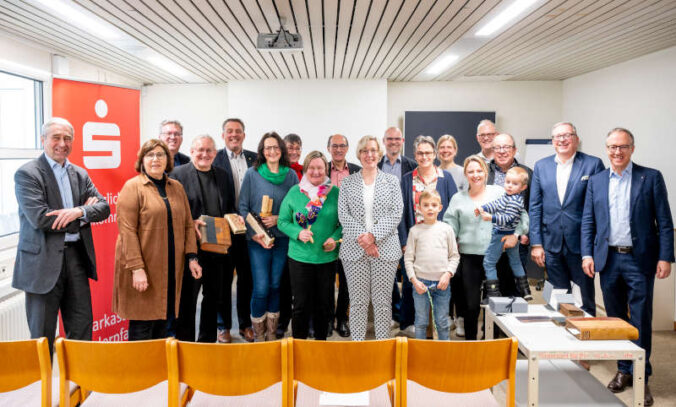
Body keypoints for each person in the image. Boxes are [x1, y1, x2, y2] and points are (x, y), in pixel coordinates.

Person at [581, 128, 673, 406]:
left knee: (641, 320)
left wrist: (665, 256)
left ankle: (641, 377)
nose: (617, 152)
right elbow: (588, 221)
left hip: (639, 259)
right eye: (611, 147)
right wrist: (587, 254)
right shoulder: (596, 181)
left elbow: (665, 223)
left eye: (622, 147)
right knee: (615, 320)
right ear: (606, 149)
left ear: (632, 148)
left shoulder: (651, 177)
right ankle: (624, 370)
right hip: (608, 260)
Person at [13, 117, 110, 354]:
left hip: (76, 259)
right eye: (56, 137)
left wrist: (79, 211)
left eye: (67, 138)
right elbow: (41, 218)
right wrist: (85, 214)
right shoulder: (27, 174)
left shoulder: (79, 173)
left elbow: (104, 207)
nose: (62, 143)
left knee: (81, 330)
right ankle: (44, 390)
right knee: (42, 337)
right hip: (41, 264)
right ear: (43, 139)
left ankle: (78, 388)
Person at [113, 139, 202, 341]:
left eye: (160, 155)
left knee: (164, 321)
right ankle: (140, 372)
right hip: (144, 268)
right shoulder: (133, 187)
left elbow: (188, 224)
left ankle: (158, 370)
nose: (156, 159)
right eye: (150, 155)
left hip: (171, 269)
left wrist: (192, 257)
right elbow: (127, 231)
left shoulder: (176, 187)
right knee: (142, 323)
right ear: (142, 160)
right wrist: (137, 269)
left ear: (167, 160)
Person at [444, 155, 528, 340]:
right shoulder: (458, 199)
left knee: (499, 304)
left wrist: (516, 235)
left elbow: (521, 217)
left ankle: (495, 343)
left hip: (499, 256)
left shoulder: (499, 193)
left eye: (479, 170)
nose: (475, 175)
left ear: (486, 172)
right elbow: (449, 228)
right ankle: (471, 344)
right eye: (471, 171)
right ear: (465, 174)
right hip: (469, 258)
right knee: (470, 306)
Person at [529, 122, 604, 316]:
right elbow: (535, 207)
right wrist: (536, 243)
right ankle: (559, 339)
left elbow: (599, 207)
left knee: (584, 299)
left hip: (581, 245)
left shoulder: (593, 164)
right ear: (552, 142)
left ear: (576, 139)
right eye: (557, 136)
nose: (562, 139)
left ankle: (584, 341)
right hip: (551, 244)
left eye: (567, 135)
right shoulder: (541, 165)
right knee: (556, 298)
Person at [170, 135, 237, 342]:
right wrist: (191, 222)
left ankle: (206, 342)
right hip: (190, 249)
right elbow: (172, 212)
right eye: (200, 150)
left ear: (215, 154)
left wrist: (235, 219)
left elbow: (229, 207)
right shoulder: (177, 175)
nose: (204, 154)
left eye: (209, 150)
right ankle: (186, 344)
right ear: (191, 152)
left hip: (218, 249)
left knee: (213, 298)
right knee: (188, 300)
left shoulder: (224, 175)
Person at [338, 135, 403, 341]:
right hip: (354, 251)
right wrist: (364, 240)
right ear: (358, 154)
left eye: (373, 150)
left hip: (385, 250)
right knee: (357, 302)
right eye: (365, 151)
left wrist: (373, 237)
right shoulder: (347, 183)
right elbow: (343, 214)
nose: (369, 154)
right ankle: (358, 346)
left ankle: (382, 347)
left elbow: (396, 212)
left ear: (379, 153)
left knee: (382, 302)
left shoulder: (392, 182)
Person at [239, 132, 299, 341]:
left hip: (282, 238)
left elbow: (296, 208)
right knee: (262, 286)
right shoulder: (252, 174)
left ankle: (272, 334)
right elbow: (243, 208)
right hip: (257, 241)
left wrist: (278, 218)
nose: (272, 151)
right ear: (262, 152)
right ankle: (258, 335)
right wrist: (254, 233)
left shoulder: (291, 175)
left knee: (275, 285)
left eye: (275, 147)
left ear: (281, 150)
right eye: (267, 148)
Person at [278, 151, 342, 340]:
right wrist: (298, 233)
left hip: (326, 258)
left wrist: (334, 238)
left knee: (324, 305)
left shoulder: (335, 193)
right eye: (311, 168)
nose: (316, 172)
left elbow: (344, 224)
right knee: (301, 306)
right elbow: (282, 221)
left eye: (320, 168)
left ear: (326, 169)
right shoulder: (295, 192)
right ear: (305, 169)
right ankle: (299, 346)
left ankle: (320, 344)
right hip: (300, 258)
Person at [398, 135, 457, 335]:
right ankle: (410, 325)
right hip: (415, 240)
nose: (424, 156)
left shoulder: (445, 178)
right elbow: (402, 212)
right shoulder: (407, 179)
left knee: (441, 285)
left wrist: (450, 240)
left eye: (428, 153)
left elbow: (452, 209)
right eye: (420, 153)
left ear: (434, 154)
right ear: (415, 155)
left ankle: (441, 325)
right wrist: (404, 241)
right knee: (412, 284)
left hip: (440, 241)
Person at [213, 118, 257, 342]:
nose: (234, 135)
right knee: (223, 280)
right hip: (223, 230)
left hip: (248, 231)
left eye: (238, 131)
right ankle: (223, 327)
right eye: (229, 131)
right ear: (223, 135)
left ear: (244, 135)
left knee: (246, 279)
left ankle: (245, 324)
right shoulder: (215, 158)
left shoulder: (254, 159)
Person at [404, 190, 460, 340]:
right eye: (426, 205)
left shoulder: (446, 230)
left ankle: (444, 354)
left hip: (442, 283)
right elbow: (408, 259)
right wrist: (414, 280)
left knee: (442, 321)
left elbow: (454, 256)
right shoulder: (415, 231)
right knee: (421, 322)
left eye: (434, 205)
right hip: (420, 284)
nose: (430, 208)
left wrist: (448, 275)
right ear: (419, 208)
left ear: (440, 208)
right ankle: (420, 355)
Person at [487, 133, 533, 297]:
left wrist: (521, 233)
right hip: (491, 238)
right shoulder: (484, 172)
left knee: (514, 289)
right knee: (492, 287)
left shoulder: (528, 173)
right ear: (492, 150)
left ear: (514, 150)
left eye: (506, 147)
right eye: (497, 147)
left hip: (516, 238)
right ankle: (490, 323)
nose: (501, 151)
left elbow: (531, 208)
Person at [476, 166, 532, 301]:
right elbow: (496, 204)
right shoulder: (507, 197)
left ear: (523, 187)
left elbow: (508, 218)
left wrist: (491, 218)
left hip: (501, 234)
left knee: (489, 263)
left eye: (515, 184)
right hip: (510, 235)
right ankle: (525, 290)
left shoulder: (514, 201)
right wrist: (483, 207)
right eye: (508, 182)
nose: (510, 186)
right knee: (515, 261)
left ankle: (493, 293)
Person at [326, 133, 361, 338]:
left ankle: (343, 319)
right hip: (328, 232)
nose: (338, 149)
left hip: (351, 233)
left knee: (348, 281)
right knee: (327, 279)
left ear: (347, 148)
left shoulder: (357, 171)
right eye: (334, 146)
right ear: (328, 148)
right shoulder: (321, 169)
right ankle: (328, 318)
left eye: (342, 146)